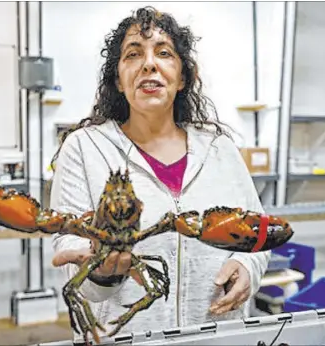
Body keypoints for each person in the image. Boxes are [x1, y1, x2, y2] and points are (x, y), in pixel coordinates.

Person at [48, 6, 270, 340]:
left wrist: (249, 268)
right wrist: (102, 273)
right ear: (118, 81)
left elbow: (257, 231)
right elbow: (70, 247)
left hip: (218, 334)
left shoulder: (219, 149)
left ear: (183, 77)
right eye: (133, 54)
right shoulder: (84, 148)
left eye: (164, 53)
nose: (149, 63)